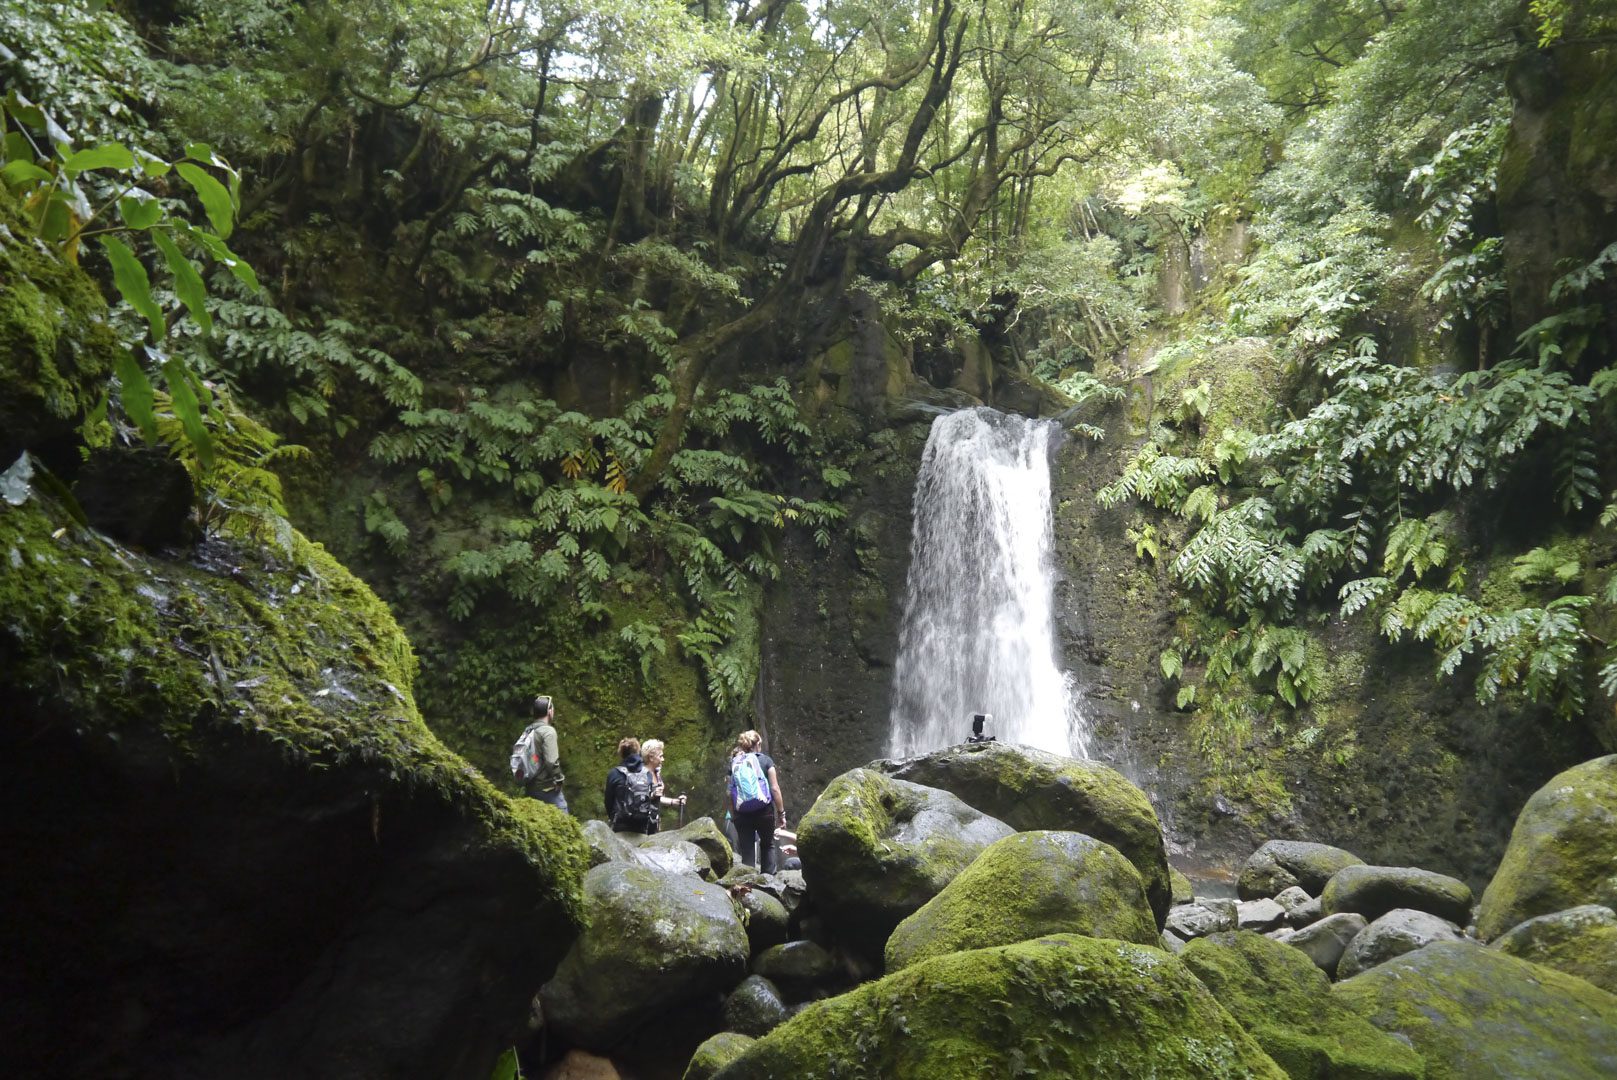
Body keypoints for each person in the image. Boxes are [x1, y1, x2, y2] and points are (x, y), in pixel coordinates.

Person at [726, 730, 786, 872]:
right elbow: (775, 788)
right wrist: (781, 813)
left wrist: (733, 814)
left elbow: (729, 792)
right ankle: (768, 885)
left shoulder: (734, 763)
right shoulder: (766, 761)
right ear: (758, 743)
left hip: (742, 814)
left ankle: (748, 887)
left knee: (747, 851)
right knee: (767, 845)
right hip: (764, 812)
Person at [519, 695, 567, 812]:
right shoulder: (548, 731)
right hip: (546, 788)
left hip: (530, 786)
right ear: (549, 711)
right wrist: (559, 779)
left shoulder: (529, 730)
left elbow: (533, 758)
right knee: (563, 814)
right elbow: (551, 761)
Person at [604, 737, 659, 835]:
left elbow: (608, 801)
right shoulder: (647, 773)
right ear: (638, 751)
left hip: (620, 826)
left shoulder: (614, 773)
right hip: (641, 826)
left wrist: (612, 817)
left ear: (621, 754)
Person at [640, 738, 688, 833]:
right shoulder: (640, 775)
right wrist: (652, 795)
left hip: (654, 821)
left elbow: (659, 798)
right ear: (651, 757)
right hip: (642, 824)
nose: (663, 759)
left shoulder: (657, 773)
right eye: (660, 756)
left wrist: (675, 802)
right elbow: (639, 798)